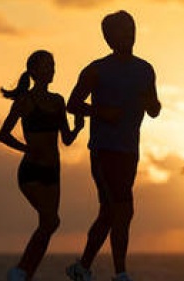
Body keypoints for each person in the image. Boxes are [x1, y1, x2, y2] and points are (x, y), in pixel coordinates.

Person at [65, 10, 161, 281]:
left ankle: (81, 268)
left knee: (109, 213)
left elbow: (154, 109)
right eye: (121, 29)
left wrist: (152, 105)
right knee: (123, 209)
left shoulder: (145, 69)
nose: (128, 33)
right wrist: (101, 112)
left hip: (130, 151)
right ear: (108, 37)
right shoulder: (97, 69)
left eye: (131, 27)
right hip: (104, 150)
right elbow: (72, 104)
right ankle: (120, 274)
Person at [0, 50, 84, 281]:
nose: (51, 69)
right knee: (50, 221)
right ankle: (20, 271)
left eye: (53, 65)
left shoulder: (58, 101)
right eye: (46, 65)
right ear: (33, 71)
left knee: (49, 223)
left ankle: (25, 274)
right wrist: (26, 149)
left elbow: (66, 139)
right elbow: (3, 134)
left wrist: (77, 128)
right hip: (31, 171)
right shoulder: (25, 101)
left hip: (53, 172)